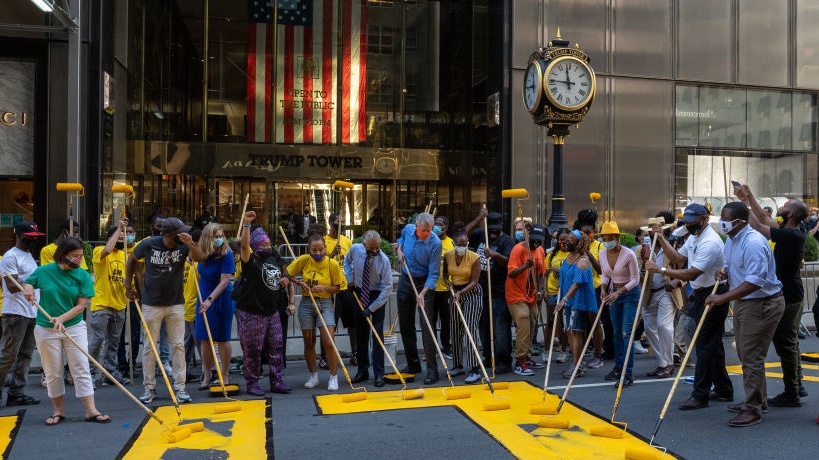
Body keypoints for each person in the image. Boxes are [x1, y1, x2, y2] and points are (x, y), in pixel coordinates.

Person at [645, 203, 733, 411]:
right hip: (700, 292)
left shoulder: (710, 242)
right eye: (687, 221)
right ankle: (723, 388)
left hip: (714, 293)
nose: (688, 225)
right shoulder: (694, 237)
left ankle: (700, 394)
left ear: (703, 219)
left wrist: (661, 269)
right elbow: (678, 258)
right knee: (711, 344)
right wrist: (662, 239)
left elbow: (692, 273)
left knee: (703, 344)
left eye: (692, 222)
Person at [705, 201, 784, 427]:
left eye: (726, 219)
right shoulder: (732, 240)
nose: (722, 223)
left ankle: (753, 408)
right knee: (745, 353)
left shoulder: (754, 242)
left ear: (740, 221)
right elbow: (737, 268)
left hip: (761, 303)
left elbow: (755, 282)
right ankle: (759, 400)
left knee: (751, 356)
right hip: (745, 302)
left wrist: (721, 298)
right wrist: (726, 273)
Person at [735, 186, 809, 407]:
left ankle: (792, 391)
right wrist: (748, 197)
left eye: (785, 207)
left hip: (789, 295)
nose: (781, 209)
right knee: (789, 342)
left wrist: (742, 206)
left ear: (792, 214)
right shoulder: (790, 231)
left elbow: (758, 225)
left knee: (785, 343)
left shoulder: (790, 234)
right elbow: (764, 220)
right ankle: (797, 384)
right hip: (790, 293)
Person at [22, 237, 109, 425]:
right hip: (46, 327)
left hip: (74, 326)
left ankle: (91, 410)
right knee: (53, 371)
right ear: (62, 255)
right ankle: (57, 411)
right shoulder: (44, 271)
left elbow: (81, 306)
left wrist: (62, 318)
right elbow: (28, 283)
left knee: (81, 368)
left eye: (80, 256)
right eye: (75, 256)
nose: (78, 260)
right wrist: (28, 289)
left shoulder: (82, 275)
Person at [125, 217, 204, 404]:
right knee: (150, 347)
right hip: (151, 303)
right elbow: (132, 259)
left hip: (176, 302)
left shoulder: (184, 245)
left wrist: (190, 244)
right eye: (180, 232)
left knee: (178, 345)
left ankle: (180, 387)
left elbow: (199, 258)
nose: (184, 234)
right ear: (168, 234)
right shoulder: (149, 244)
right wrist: (128, 285)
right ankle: (149, 387)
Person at [236, 213, 295, 395]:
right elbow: (244, 246)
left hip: (272, 311)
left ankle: (276, 380)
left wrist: (285, 279)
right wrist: (246, 224)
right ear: (255, 247)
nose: (268, 247)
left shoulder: (272, 259)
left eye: (269, 244)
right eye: (264, 245)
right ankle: (252, 383)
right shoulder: (250, 260)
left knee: (276, 346)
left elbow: (285, 273)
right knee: (253, 350)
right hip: (252, 312)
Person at [288, 232, 346, 391]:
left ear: (325, 248)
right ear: (309, 250)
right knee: (308, 341)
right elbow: (287, 273)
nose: (318, 253)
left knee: (328, 341)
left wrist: (325, 288)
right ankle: (313, 375)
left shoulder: (331, 264)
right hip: (306, 304)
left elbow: (339, 288)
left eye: (321, 250)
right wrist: (299, 282)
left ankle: (333, 377)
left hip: (325, 303)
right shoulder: (304, 261)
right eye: (314, 250)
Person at [0, 222, 46, 407]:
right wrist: (29, 283)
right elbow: (11, 285)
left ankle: (16, 393)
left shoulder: (28, 255)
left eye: (35, 236)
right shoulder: (10, 257)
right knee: (8, 355)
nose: (34, 239)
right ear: (19, 236)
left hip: (32, 311)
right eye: (30, 236)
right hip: (15, 312)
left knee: (26, 354)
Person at [466, 211, 515, 374]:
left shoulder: (507, 241)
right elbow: (463, 234)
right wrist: (479, 218)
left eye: (496, 229)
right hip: (481, 290)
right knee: (484, 327)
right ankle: (488, 357)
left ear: (501, 227)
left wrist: (495, 255)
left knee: (500, 327)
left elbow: (509, 262)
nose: (493, 232)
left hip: (498, 291)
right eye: (490, 229)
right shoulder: (480, 234)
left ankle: (504, 360)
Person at [396, 212, 442, 384]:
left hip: (425, 284)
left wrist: (422, 293)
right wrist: (399, 250)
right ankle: (413, 364)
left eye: (429, 230)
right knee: (406, 325)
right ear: (416, 226)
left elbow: (434, 274)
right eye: (423, 230)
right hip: (406, 279)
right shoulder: (408, 230)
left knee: (427, 326)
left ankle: (432, 370)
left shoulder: (435, 243)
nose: (426, 233)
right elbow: (400, 240)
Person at [346, 230, 393, 387]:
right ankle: (362, 370)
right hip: (359, 293)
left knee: (377, 335)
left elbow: (387, 288)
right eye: (370, 248)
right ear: (363, 243)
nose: (374, 251)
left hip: (377, 296)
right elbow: (347, 262)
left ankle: (379, 373)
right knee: (361, 334)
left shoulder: (384, 260)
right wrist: (349, 279)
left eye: (377, 248)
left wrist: (371, 308)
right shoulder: (355, 249)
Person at [88, 219, 132, 386]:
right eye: (119, 237)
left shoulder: (125, 255)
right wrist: (119, 228)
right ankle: (90, 373)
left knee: (113, 342)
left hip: (119, 305)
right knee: (97, 341)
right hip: (102, 305)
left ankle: (109, 373)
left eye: (124, 237)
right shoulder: (99, 250)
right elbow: (107, 249)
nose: (122, 239)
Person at [598, 221, 640, 387]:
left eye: (610, 238)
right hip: (613, 294)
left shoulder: (628, 254)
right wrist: (603, 288)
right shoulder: (602, 253)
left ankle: (627, 373)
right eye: (604, 238)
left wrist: (618, 292)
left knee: (626, 333)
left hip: (629, 294)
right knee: (616, 334)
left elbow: (636, 279)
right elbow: (606, 275)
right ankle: (618, 367)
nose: (607, 240)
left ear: (617, 238)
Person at [194, 223, 235, 389]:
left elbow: (225, 280)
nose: (219, 239)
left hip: (221, 297)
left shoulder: (227, 254)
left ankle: (225, 374)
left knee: (222, 337)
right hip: (204, 292)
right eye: (215, 237)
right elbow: (192, 257)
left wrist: (210, 300)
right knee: (204, 337)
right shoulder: (202, 252)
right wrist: (190, 245)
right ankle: (207, 373)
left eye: (220, 236)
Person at [443, 226, 484, 384]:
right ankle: (458, 364)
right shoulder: (447, 256)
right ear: (454, 243)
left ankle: (475, 368)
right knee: (455, 329)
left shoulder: (474, 257)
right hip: (455, 293)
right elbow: (445, 273)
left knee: (470, 328)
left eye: (466, 243)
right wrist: (449, 284)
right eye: (460, 244)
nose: (463, 246)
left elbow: (475, 281)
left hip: (471, 293)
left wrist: (462, 292)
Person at [638, 216, 677, 379]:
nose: (654, 233)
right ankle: (663, 362)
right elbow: (639, 273)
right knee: (649, 328)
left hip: (666, 291)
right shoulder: (643, 249)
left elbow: (680, 263)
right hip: (649, 292)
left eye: (658, 230)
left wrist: (676, 281)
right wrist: (644, 260)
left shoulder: (673, 245)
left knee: (664, 326)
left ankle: (668, 363)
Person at [506, 223, 547, 376]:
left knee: (532, 323)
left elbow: (542, 272)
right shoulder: (518, 250)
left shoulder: (540, 251)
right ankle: (519, 361)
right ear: (527, 235)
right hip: (516, 294)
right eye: (534, 240)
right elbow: (511, 273)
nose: (536, 243)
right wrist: (525, 266)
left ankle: (527, 355)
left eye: (540, 240)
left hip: (532, 294)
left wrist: (542, 288)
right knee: (523, 322)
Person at [555, 230, 597, 379]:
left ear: (579, 243)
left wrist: (564, 299)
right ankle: (576, 362)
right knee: (568, 331)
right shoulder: (568, 257)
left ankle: (577, 365)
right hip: (567, 299)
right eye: (565, 241)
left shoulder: (583, 261)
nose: (566, 243)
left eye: (569, 241)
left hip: (578, 301)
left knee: (575, 331)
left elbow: (577, 284)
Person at [575, 209, 607, 364]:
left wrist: (587, 251)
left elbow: (601, 269)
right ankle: (579, 356)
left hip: (594, 288)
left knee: (595, 322)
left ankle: (598, 355)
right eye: (584, 233)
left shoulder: (600, 246)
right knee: (579, 323)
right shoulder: (575, 245)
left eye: (590, 233)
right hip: (578, 288)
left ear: (594, 231)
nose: (587, 236)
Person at [324, 213, 356, 367]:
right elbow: (321, 265)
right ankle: (326, 356)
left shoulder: (347, 241)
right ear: (331, 223)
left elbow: (351, 263)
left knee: (353, 324)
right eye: (338, 222)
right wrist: (331, 254)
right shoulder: (323, 242)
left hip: (347, 289)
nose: (341, 224)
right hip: (332, 290)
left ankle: (355, 353)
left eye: (343, 222)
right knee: (330, 326)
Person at [546, 229, 571, 364]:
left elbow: (573, 273)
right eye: (561, 239)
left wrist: (559, 271)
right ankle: (546, 350)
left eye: (567, 240)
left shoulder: (572, 255)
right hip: (552, 292)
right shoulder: (551, 255)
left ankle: (563, 350)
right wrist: (543, 290)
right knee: (550, 322)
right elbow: (545, 273)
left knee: (563, 323)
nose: (563, 243)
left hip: (566, 293)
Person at [432, 216, 454, 359]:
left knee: (446, 321)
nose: (437, 227)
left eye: (440, 224)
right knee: (431, 321)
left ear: (445, 227)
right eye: (436, 224)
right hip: (432, 289)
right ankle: (432, 349)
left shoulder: (451, 242)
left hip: (447, 289)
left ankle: (447, 348)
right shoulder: (429, 241)